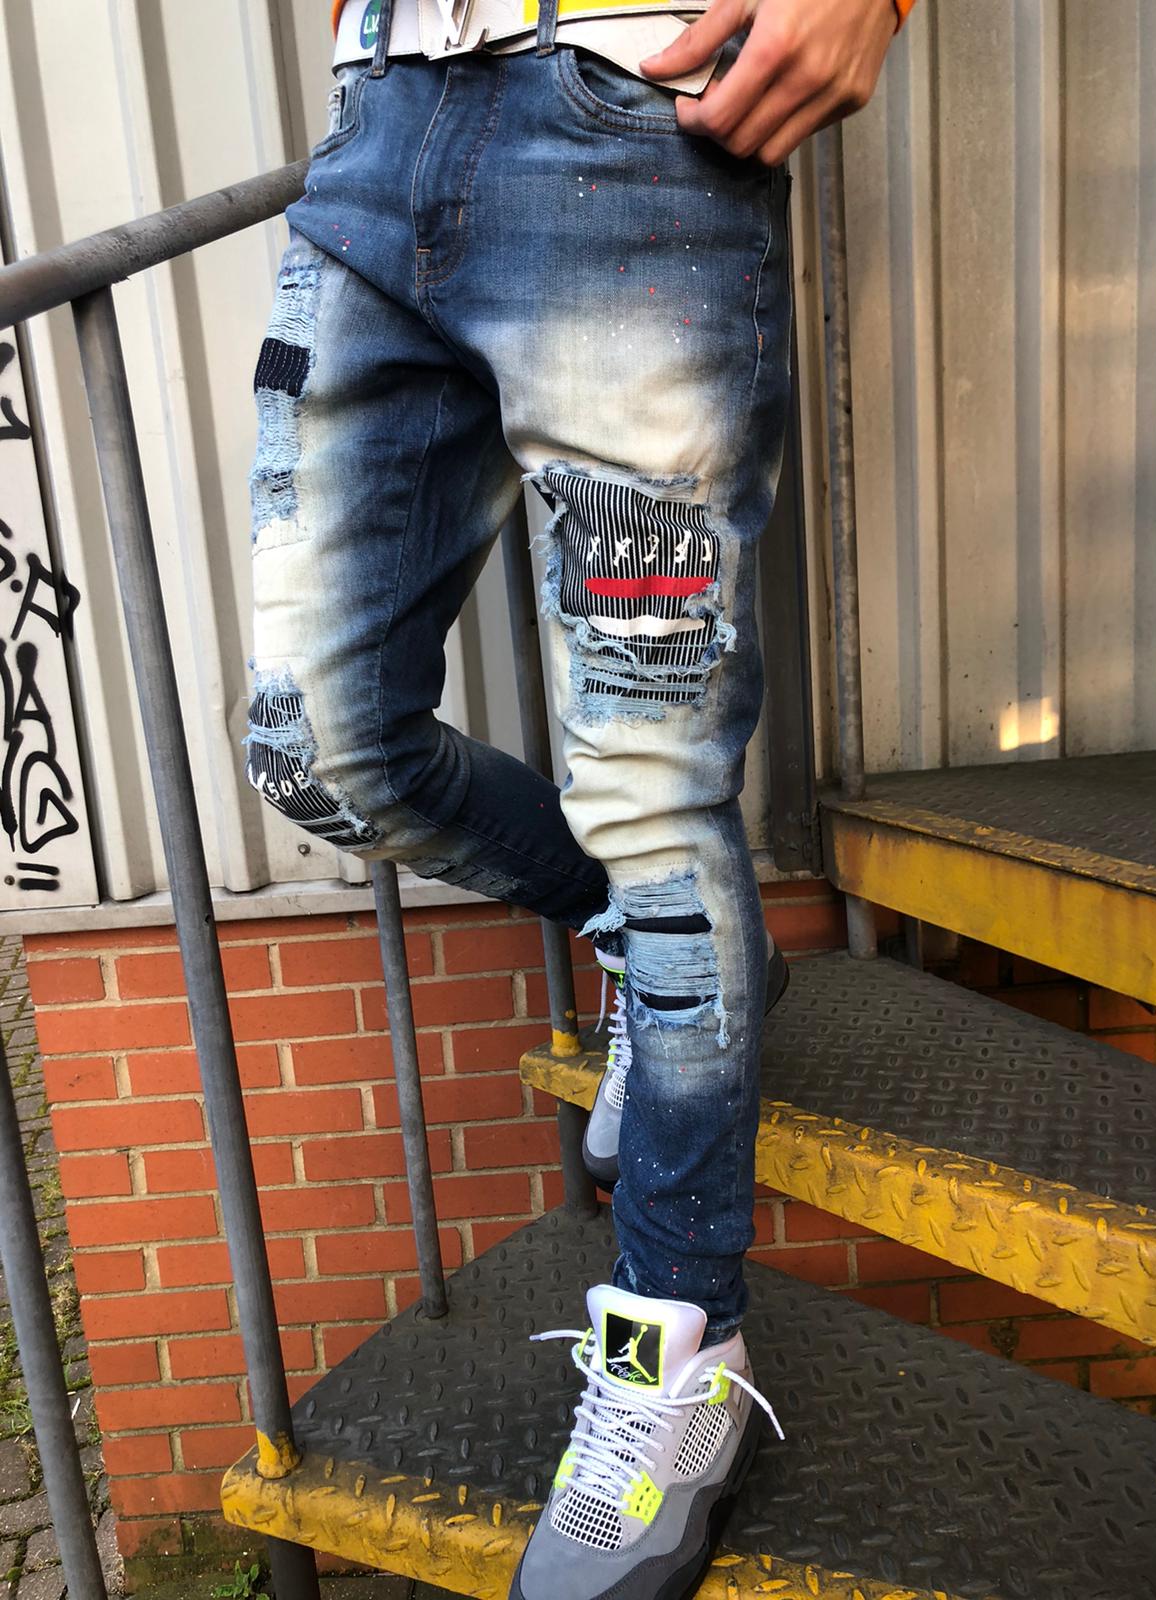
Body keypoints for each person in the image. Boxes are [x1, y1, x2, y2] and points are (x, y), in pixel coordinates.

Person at [243, 1, 909, 1594]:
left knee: (658, 806)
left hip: (634, 121)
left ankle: (682, 1354)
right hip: (382, 118)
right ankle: (655, 947)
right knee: (316, 749)